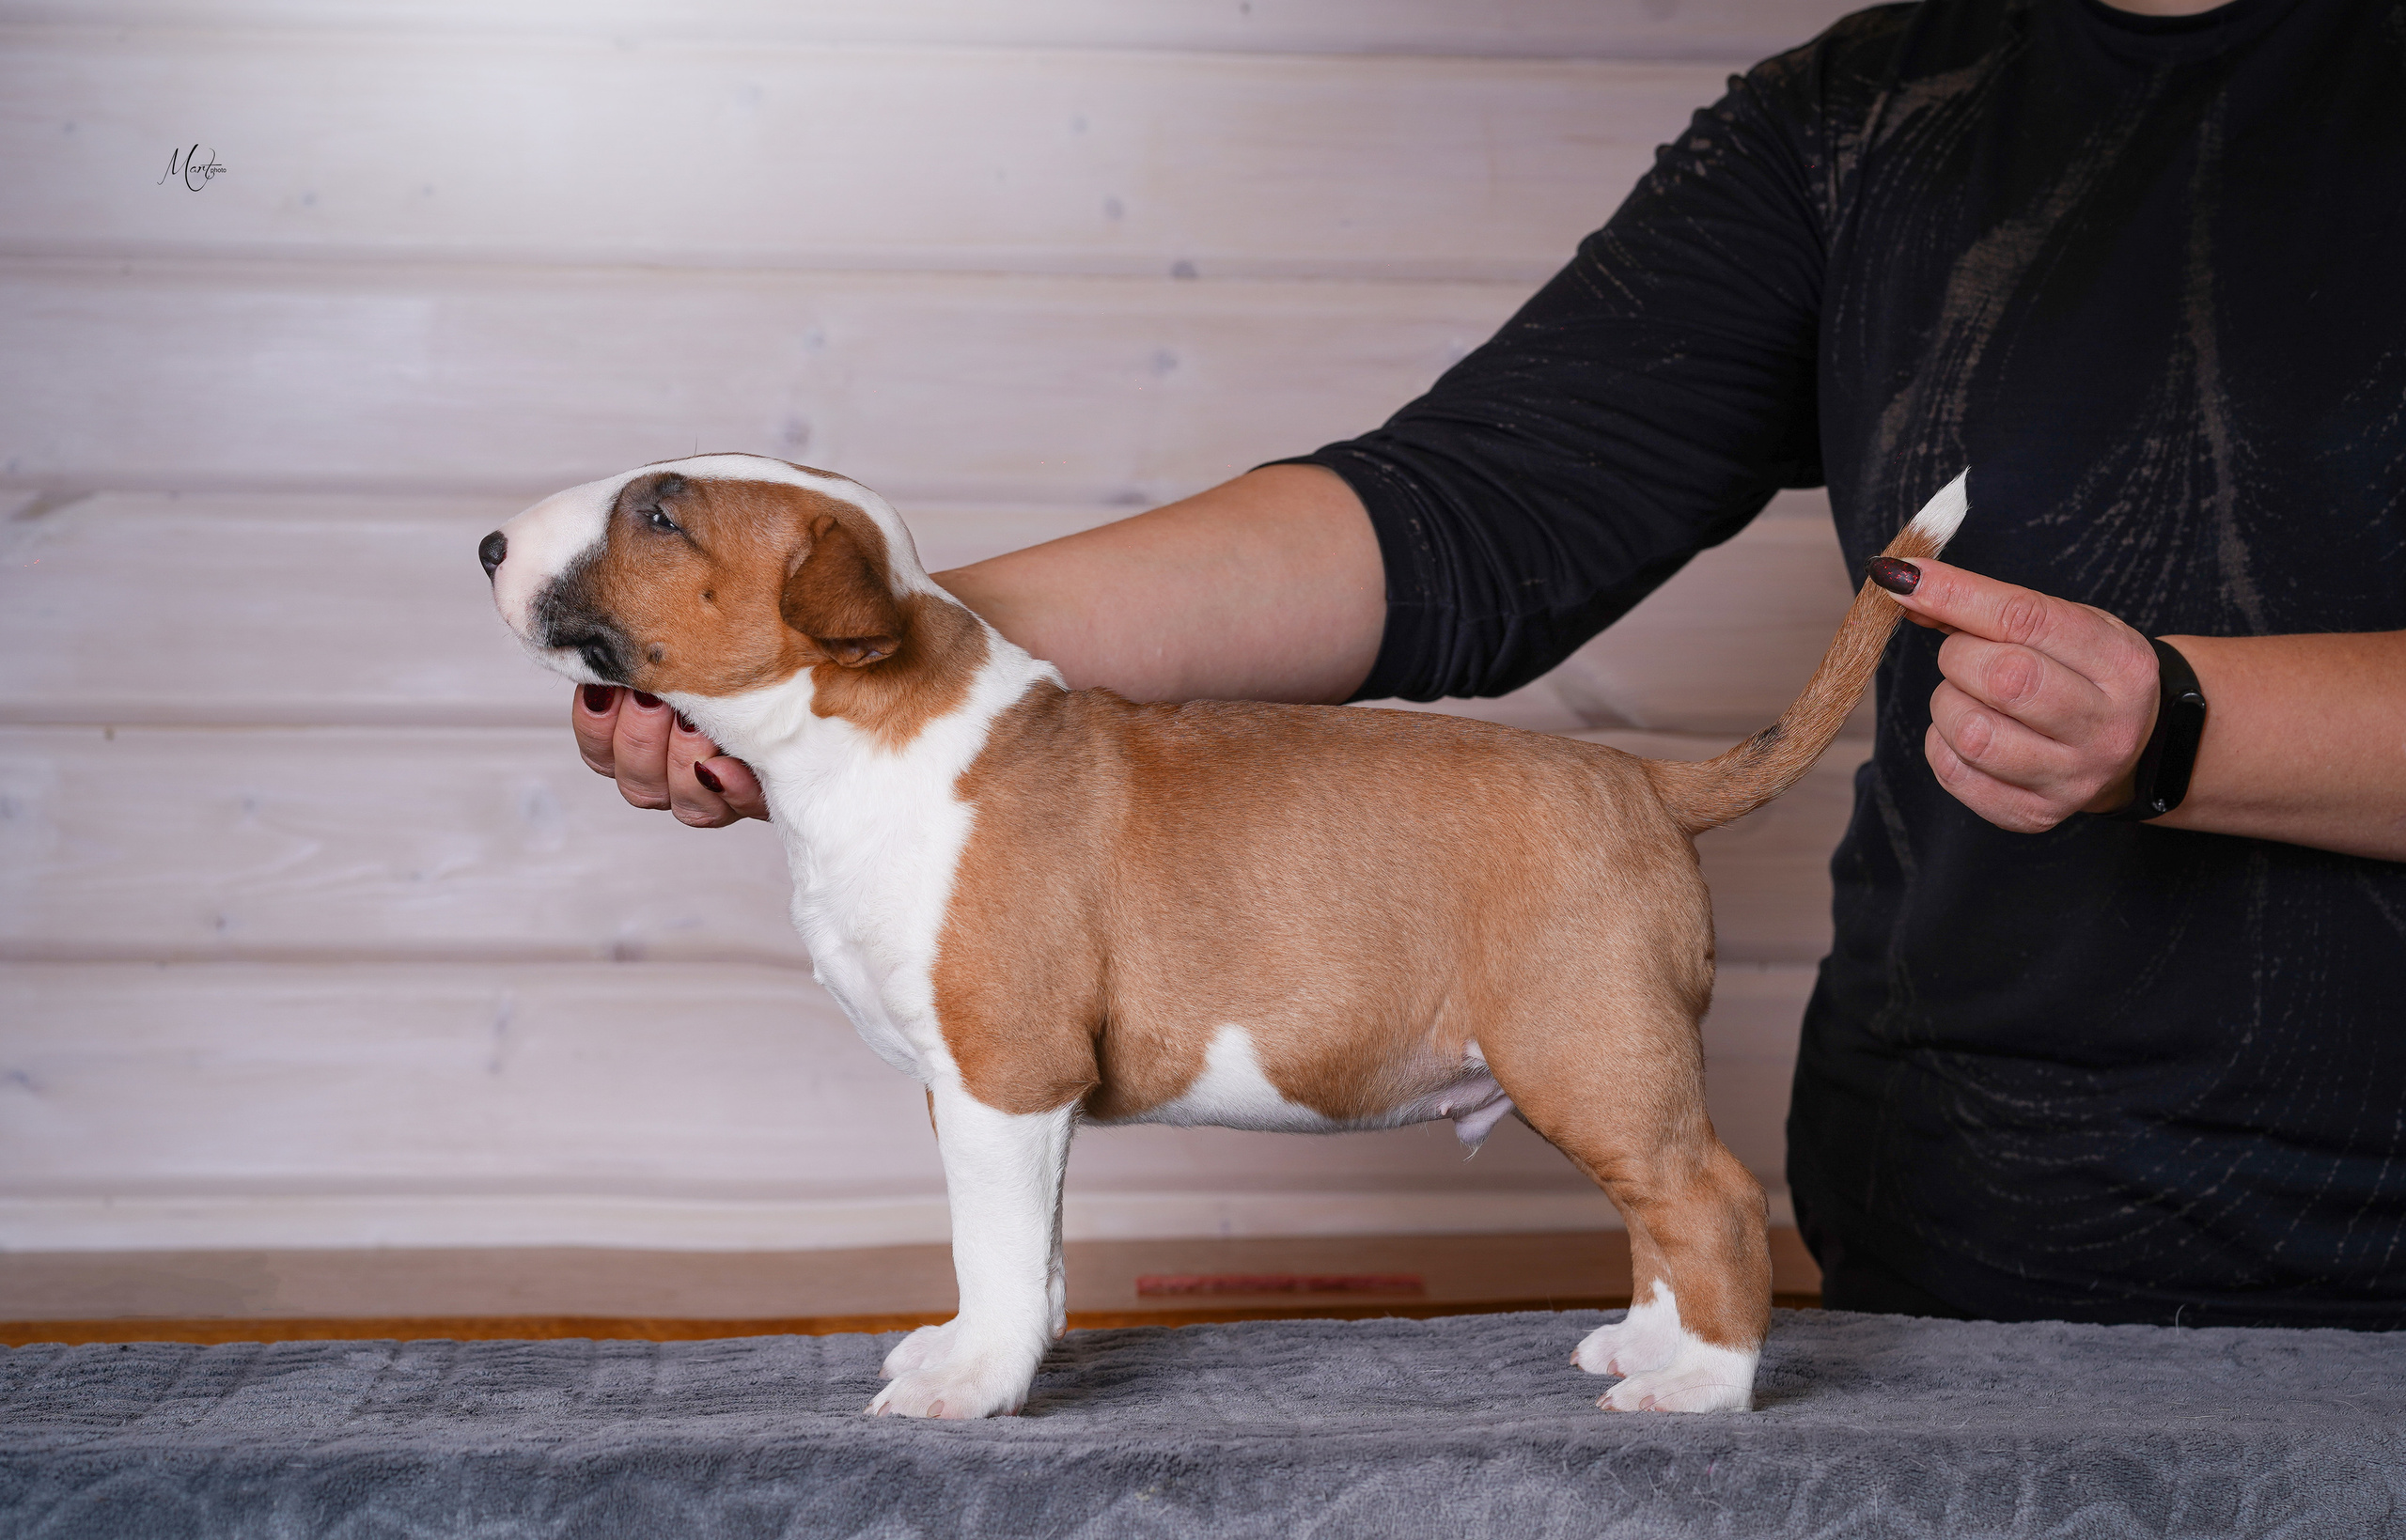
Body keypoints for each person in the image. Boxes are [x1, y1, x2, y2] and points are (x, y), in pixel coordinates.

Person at [571, 0, 2406, 1329]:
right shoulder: (1865, 107)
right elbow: (1464, 512)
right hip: (1966, 1224)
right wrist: (868, 663)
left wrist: (2189, 729)